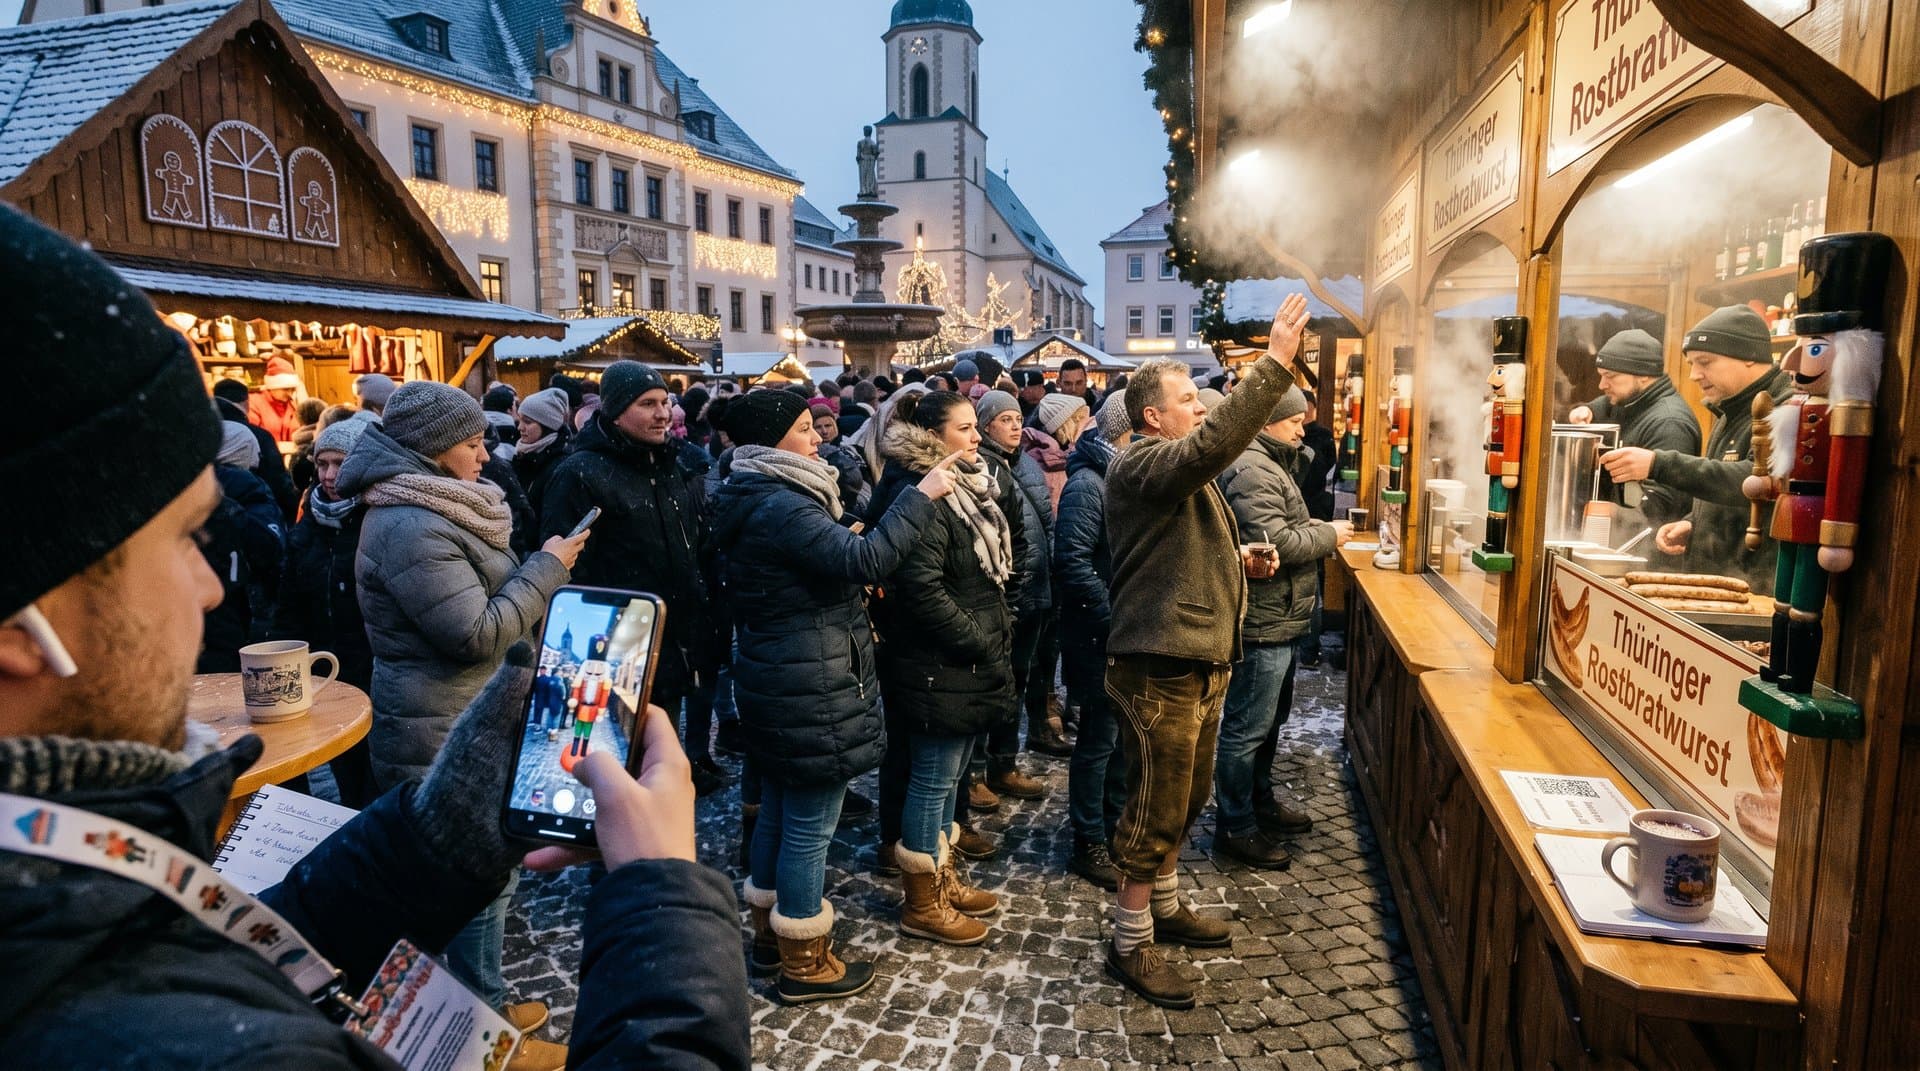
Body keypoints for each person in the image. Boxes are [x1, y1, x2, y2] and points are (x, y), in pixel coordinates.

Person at [0, 207, 747, 1071]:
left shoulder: (61, 891)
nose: (209, 585)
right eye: (180, 539)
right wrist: (660, 904)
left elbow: (229, 949)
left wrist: (442, 829)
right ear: (25, 622)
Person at [340, 381, 587, 1016]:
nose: (486, 455)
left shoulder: (435, 504)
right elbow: (474, 635)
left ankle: (483, 1015)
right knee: (472, 881)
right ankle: (484, 1027)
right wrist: (548, 567)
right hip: (440, 724)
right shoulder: (408, 522)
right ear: (433, 448)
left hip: (463, 714)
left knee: (483, 878)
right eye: (473, 444)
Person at [708, 390, 961, 1002]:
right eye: (802, 428)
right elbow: (867, 560)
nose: (817, 436)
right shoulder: (781, 504)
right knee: (810, 821)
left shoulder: (762, 493)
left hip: (781, 670)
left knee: (780, 805)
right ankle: (804, 959)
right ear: (772, 442)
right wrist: (918, 498)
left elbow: (824, 557)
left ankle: (771, 935)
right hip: (808, 677)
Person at [1101, 295, 1309, 1009]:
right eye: (1188, 397)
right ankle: (1129, 942)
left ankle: (1162, 904)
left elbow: (1184, 545)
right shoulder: (1139, 464)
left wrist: (1241, 560)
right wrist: (1274, 363)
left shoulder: (1171, 469)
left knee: (1186, 797)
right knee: (1154, 805)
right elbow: (1210, 446)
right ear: (1151, 415)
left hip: (1195, 656)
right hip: (1158, 661)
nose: (1200, 405)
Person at [867, 391, 1014, 947]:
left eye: (977, 427)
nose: (976, 437)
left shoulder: (962, 484)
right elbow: (921, 589)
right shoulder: (922, 493)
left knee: (947, 778)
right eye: (966, 428)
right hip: (936, 660)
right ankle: (922, 901)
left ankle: (942, 876)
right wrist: (977, 639)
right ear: (934, 437)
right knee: (931, 781)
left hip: (960, 656)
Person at [539, 362, 724, 786]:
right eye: (647, 404)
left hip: (673, 642)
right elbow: (563, 570)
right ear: (616, 411)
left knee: (659, 760)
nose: (663, 413)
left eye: (665, 402)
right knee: (615, 768)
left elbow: (691, 548)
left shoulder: (671, 465)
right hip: (614, 650)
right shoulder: (579, 474)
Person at [1212, 386, 1349, 870]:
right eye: (1294, 421)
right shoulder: (1252, 468)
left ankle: (1258, 803)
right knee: (1247, 727)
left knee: (1268, 722)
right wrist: (1328, 534)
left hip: (1281, 616)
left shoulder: (1272, 461)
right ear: (1269, 421)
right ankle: (1236, 825)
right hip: (1264, 619)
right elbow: (1273, 543)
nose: (1302, 427)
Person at [1599, 307, 1792, 589]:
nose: (1694, 375)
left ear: (1750, 356)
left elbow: (1756, 479)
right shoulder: (1730, 409)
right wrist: (1695, 522)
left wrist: (1657, 464)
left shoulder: (1786, 410)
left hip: (1754, 588)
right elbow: (1726, 489)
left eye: (1704, 362)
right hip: (1719, 581)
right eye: (1691, 363)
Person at [270, 418, 376, 807]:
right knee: (345, 773)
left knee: (371, 775)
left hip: (372, 668)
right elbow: (290, 604)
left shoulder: (376, 517)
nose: (329, 475)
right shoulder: (308, 523)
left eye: (340, 463)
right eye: (322, 464)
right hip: (325, 672)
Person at [1055, 390, 1134, 888]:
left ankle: (1112, 823)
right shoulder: (1089, 483)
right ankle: (1089, 839)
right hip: (1097, 635)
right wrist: (1114, 616)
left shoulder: (1119, 475)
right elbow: (1075, 563)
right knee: (1098, 741)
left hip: (1121, 631)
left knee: (1120, 737)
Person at [974, 390, 1054, 803]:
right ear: (986, 425)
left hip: (1034, 589)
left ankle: (1003, 762)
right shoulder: (985, 467)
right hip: (1008, 593)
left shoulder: (1019, 462)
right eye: (1005, 419)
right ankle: (976, 775)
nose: (1015, 425)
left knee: (1016, 683)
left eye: (1018, 417)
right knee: (994, 685)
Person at [1569, 327, 1703, 535]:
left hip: (1650, 551)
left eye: (1610, 376)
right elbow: (1604, 405)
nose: (1602, 384)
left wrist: (1604, 513)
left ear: (1644, 376)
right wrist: (1585, 410)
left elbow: (1664, 507)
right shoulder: (1627, 401)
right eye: (1601, 375)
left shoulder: (1669, 422)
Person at [198, 423, 285, 674]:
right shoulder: (249, 489)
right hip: (243, 616)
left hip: (219, 621)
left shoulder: (190, 497)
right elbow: (271, 548)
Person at [212, 377, 298, 522]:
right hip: (254, 512)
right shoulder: (257, 435)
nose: (289, 393)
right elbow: (277, 480)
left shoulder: (199, 432)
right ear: (246, 402)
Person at [1297, 390, 1338, 667]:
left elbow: (1324, 469)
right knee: (1309, 584)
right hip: (1303, 518)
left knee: (1314, 582)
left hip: (1316, 513)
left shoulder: (1321, 436)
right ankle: (1308, 647)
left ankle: (1310, 647)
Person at [509, 386, 572, 517]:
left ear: (548, 425)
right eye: (519, 420)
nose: (520, 427)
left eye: (527, 421)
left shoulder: (560, 465)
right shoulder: (523, 456)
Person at [1026, 392, 1089, 511]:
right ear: (1064, 426)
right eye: (1077, 419)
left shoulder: (1067, 455)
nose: (1084, 423)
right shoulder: (1046, 462)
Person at [249, 355, 305, 443]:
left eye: (293, 389)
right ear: (272, 386)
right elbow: (251, 436)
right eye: (285, 389)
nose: (290, 394)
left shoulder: (293, 405)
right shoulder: (254, 403)